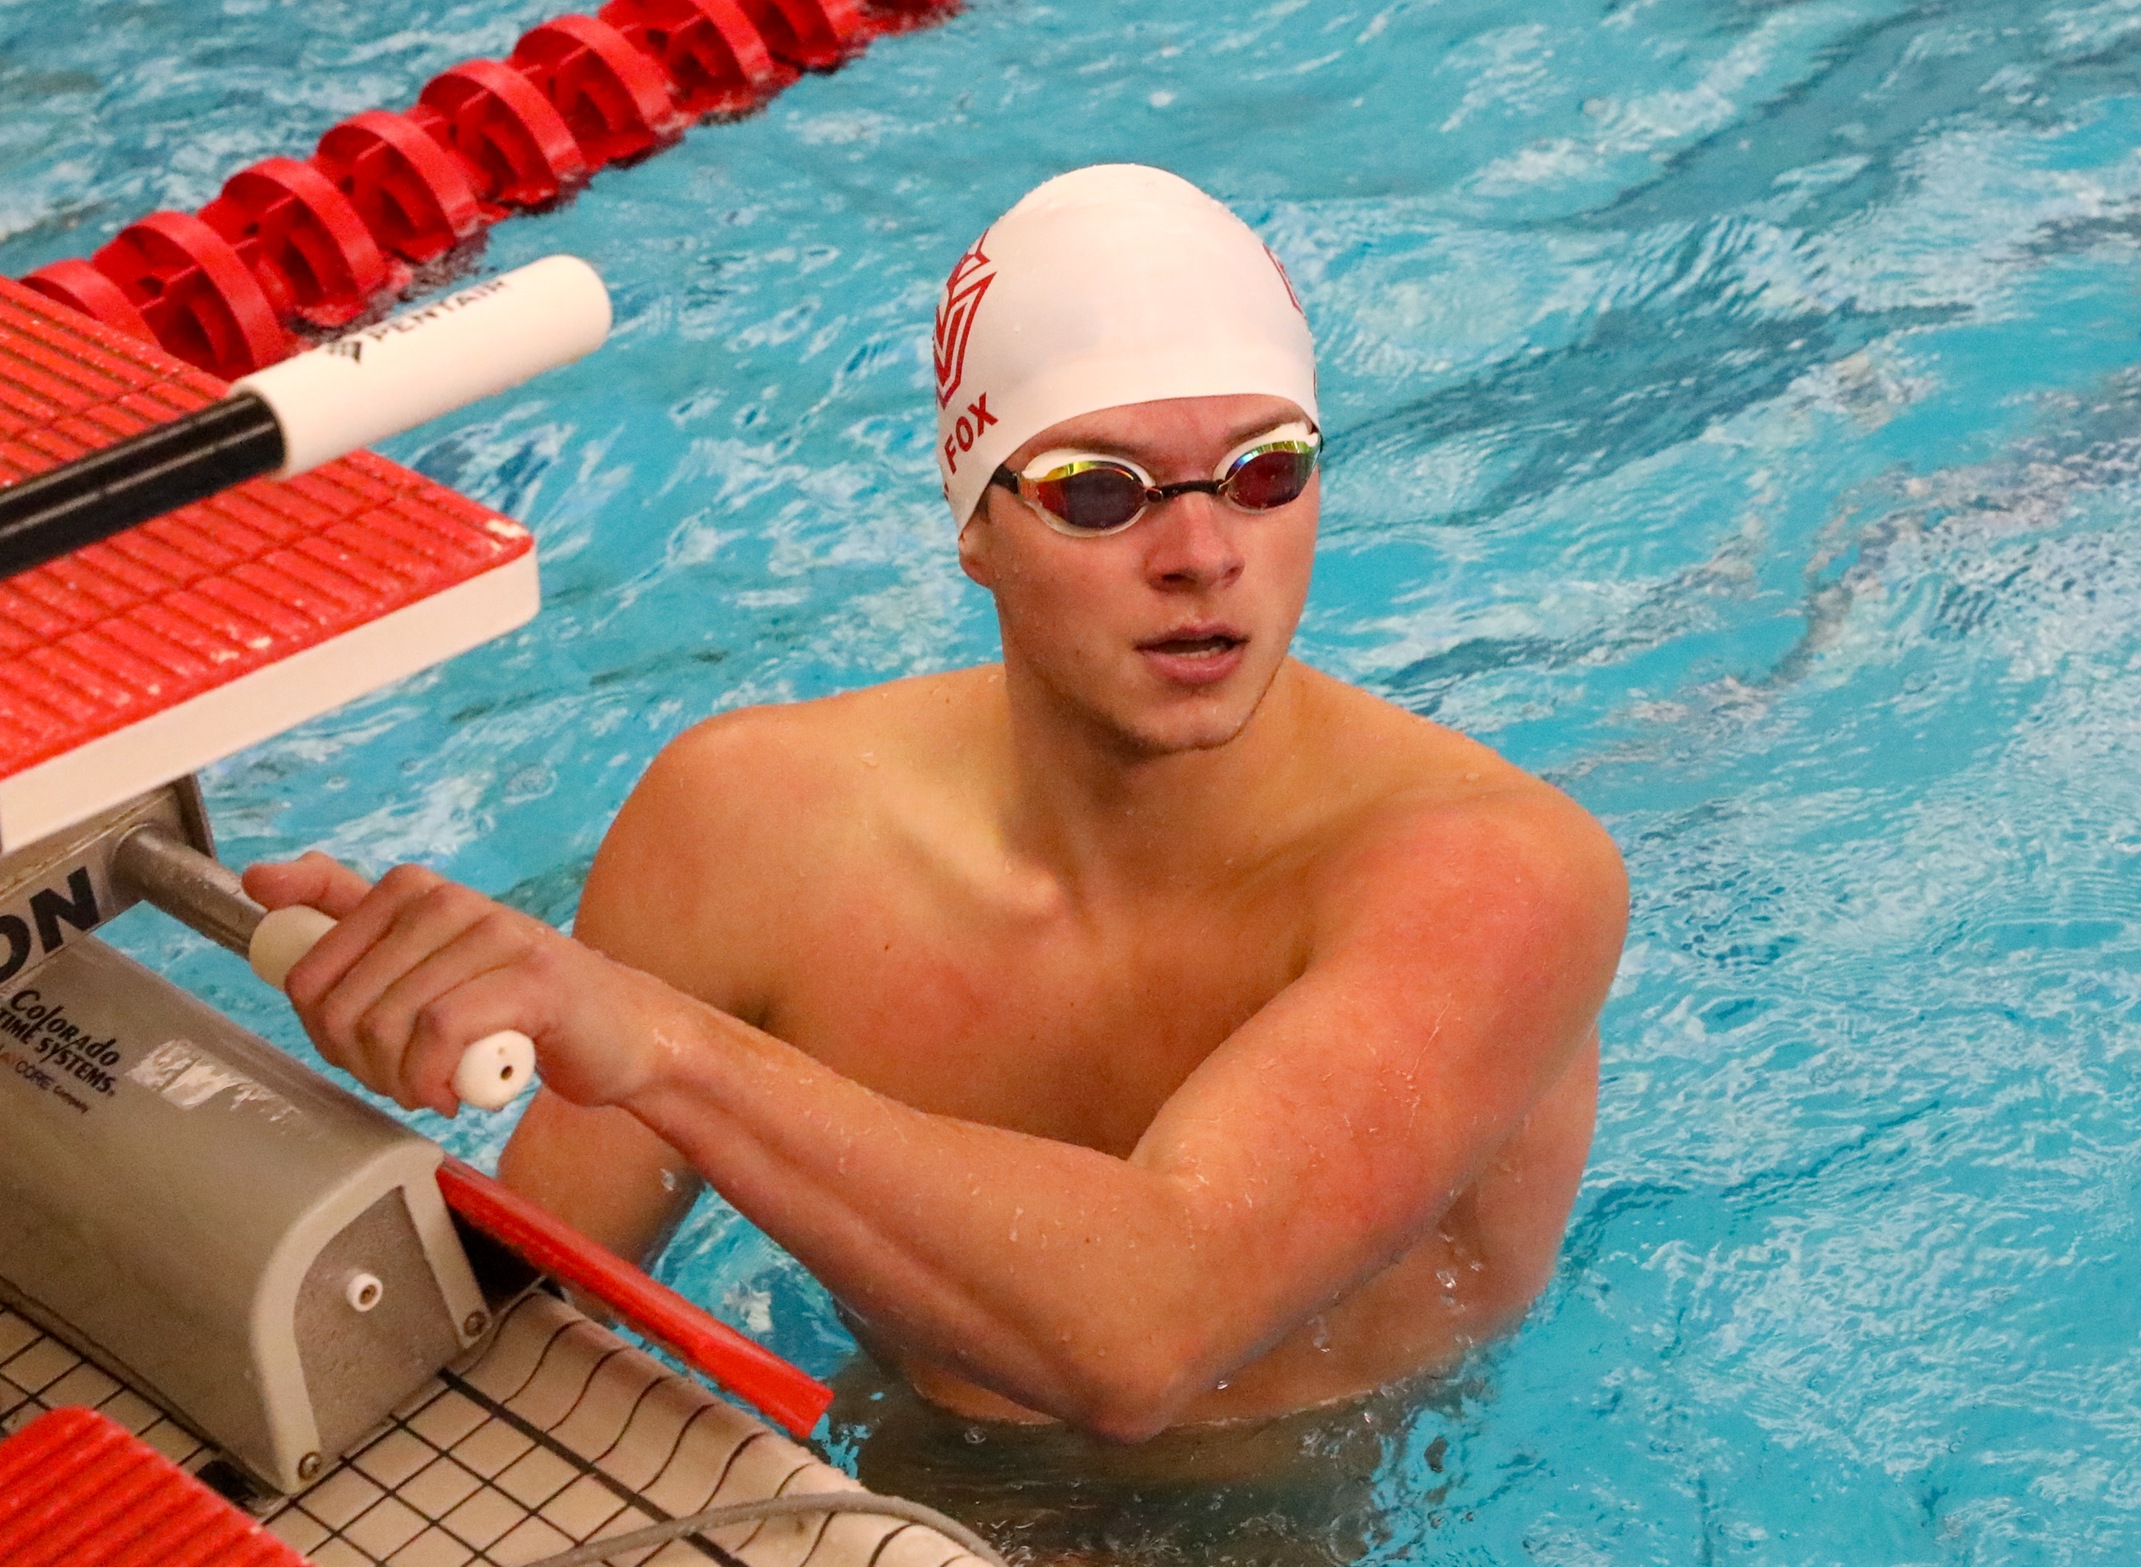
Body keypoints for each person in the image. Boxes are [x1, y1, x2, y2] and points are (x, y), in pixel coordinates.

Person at [244, 164, 1626, 1559]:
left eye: (1268, 473)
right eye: (1104, 494)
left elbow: (1148, 1334)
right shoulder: (753, 825)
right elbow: (515, 1332)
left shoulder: (1499, 875)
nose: (1204, 552)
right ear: (973, 519)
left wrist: (657, 1038)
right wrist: (388, 1055)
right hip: (892, 1486)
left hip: (1303, 1519)